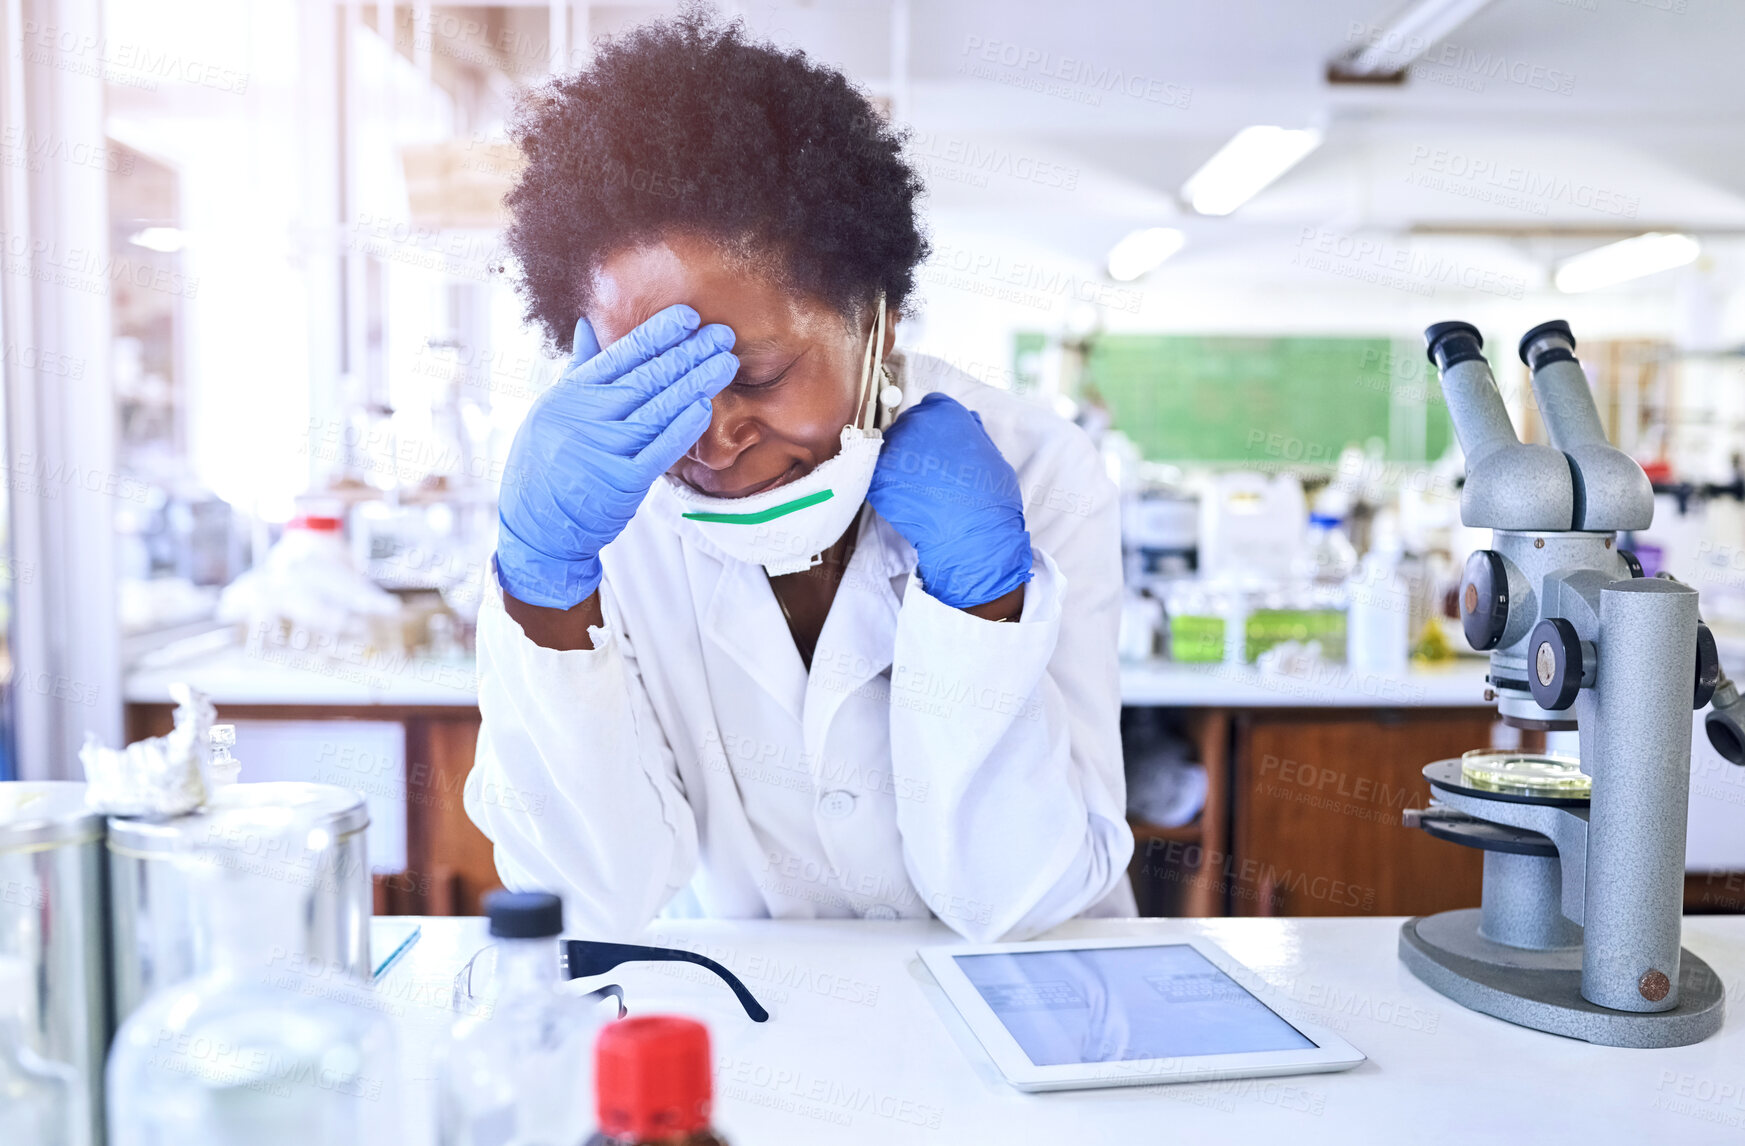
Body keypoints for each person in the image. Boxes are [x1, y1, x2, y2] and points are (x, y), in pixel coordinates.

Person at [464, 9, 1134, 942]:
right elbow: (591, 899)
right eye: (652, 385)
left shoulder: (1037, 468)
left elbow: (1024, 899)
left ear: (878, 321)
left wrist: (986, 599)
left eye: (759, 374)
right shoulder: (589, 502)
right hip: (753, 1023)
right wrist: (544, 589)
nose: (711, 435)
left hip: (1029, 1014)